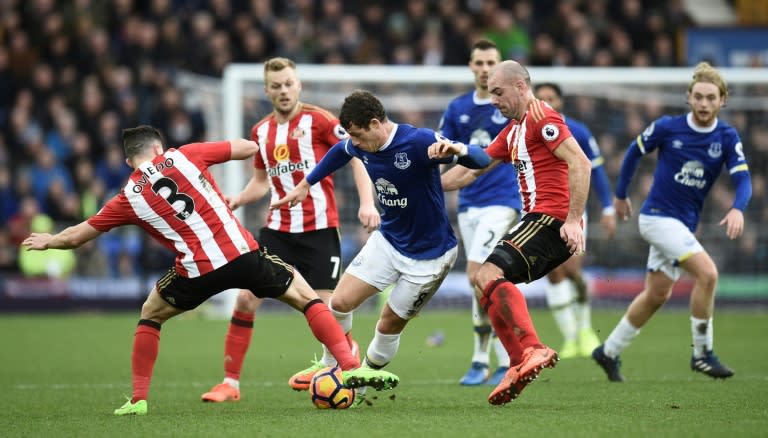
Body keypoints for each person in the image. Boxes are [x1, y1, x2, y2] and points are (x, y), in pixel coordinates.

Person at [21, 125, 398, 416]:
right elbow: (248, 148)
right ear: (159, 147)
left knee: (150, 314)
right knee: (306, 296)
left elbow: (78, 236)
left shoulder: (128, 196)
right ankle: (349, 365)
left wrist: (49, 240)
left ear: (128, 161)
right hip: (243, 254)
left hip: (196, 271)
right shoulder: (185, 154)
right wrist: (244, 155)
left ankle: (138, 400)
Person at [271, 90, 491, 404]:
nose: (356, 143)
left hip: (430, 257)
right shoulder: (361, 143)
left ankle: (361, 381)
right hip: (388, 240)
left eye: (359, 136)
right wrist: (306, 184)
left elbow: (482, 159)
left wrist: (459, 148)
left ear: (376, 123)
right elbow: (340, 151)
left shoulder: (419, 142)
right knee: (339, 302)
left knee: (388, 323)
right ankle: (332, 366)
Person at [201, 57, 380, 402]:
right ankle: (230, 384)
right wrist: (238, 198)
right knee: (245, 298)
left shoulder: (320, 120)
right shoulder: (260, 131)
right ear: (267, 90)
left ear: (298, 85)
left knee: (328, 312)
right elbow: (260, 182)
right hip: (277, 231)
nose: (283, 91)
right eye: (276, 85)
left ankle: (342, 362)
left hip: (319, 230)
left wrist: (366, 203)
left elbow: (356, 155)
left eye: (289, 84)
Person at [435, 60, 592, 405]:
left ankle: (531, 349)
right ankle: (517, 360)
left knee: (487, 273)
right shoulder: (515, 128)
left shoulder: (541, 117)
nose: (492, 100)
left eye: (498, 92)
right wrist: (427, 183)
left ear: (520, 87)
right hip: (537, 220)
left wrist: (573, 219)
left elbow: (581, 163)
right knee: (483, 279)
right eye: (490, 93)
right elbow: (472, 170)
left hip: (551, 221)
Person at [592, 62, 752, 382]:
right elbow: (634, 153)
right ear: (688, 98)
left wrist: (738, 208)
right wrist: (621, 195)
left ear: (723, 101)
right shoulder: (668, 127)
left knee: (657, 294)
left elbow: (743, 178)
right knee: (708, 274)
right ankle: (702, 353)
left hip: (682, 225)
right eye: (699, 96)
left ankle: (608, 351)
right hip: (657, 219)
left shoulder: (726, 135)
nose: (704, 103)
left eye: (711, 98)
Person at [438, 39, 521, 386]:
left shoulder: (508, 107)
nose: (485, 69)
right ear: (471, 66)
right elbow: (442, 151)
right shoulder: (458, 108)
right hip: (469, 203)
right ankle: (482, 359)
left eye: (491, 62)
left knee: (477, 272)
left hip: (503, 201)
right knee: (482, 282)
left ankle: (503, 359)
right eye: (480, 63)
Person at [533, 82, 616, 359]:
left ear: (560, 101)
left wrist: (607, 207)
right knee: (554, 273)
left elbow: (597, 169)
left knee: (572, 270)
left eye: (550, 98)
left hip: (573, 211)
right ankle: (569, 337)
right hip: (541, 210)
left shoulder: (577, 130)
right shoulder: (529, 130)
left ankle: (584, 329)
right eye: (541, 98)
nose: (546, 102)